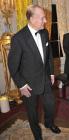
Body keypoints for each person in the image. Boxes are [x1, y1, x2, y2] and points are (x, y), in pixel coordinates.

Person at [8, 5, 61, 140]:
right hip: (28, 83)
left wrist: (51, 73)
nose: (45, 21)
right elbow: (13, 65)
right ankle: (37, 135)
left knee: (50, 105)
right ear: (31, 18)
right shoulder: (18, 38)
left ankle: (49, 123)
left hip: (45, 78)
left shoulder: (44, 33)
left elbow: (48, 55)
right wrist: (21, 85)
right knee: (32, 113)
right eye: (42, 18)